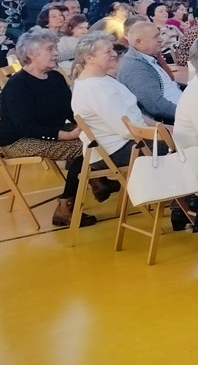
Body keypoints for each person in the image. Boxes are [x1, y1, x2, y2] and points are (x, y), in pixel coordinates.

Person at [0, 30, 97, 227]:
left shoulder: (55, 77)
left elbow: (70, 109)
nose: (56, 53)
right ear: (31, 54)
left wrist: (83, 124)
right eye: (50, 49)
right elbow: (25, 127)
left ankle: (98, 182)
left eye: (56, 48)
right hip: (18, 141)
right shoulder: (18, 85)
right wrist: (66, 135)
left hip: (48, 129)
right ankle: (65, 208)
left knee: (99, 136)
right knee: (87, 147)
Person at [71, 33, 154, 171]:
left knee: (180, 137)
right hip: (116, 150)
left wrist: (161, 127)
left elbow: (132, 113)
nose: (115, 54)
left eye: (113, 49)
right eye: (108, 51)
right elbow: (126, 130)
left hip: (127, 142)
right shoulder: (95, 88)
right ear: (89, 58)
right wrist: (160, 133)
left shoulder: (101, 79)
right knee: (183, 144)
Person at [116, 20, 182, 124]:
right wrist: (187, 114)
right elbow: (156, 106)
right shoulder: (136, 68)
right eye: (156, 37)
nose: (160, 40)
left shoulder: (146, 59)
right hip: (169, 123)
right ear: (139, 43)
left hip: (179, 113)